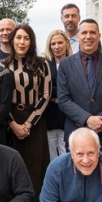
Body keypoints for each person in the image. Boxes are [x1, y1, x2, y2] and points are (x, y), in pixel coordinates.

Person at [56, 19, 102, 157]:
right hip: (76, 133)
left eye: (92, 32)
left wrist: (100, 120)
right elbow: (63, 99)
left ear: (99, 36)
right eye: (84, 33)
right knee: (77, 176)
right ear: (78, 36)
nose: (88, 36)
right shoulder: (65, 64)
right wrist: (87, 119)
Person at [3, 23, 53, 196]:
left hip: (35, 120)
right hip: (11, 119)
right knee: (12, 166)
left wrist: (28, 124)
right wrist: (13, 124)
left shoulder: (42, 64)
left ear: (31, 41)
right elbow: (1, 100)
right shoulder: (2, 66)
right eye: (18, 37)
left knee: (36, 166)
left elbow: (46, 94)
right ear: (12, 40)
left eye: (26, 38)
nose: (22, 42)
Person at [43, 29, 71, 160]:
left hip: (68, 119)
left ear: (66, 43)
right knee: (52, 158)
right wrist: (58, 97)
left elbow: (75, 88)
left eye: (60, 42)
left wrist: (55, 94)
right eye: (53, 44)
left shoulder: (74, 63)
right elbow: (44, 88)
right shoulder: (45, 65)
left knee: (67, 155)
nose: (56, 46)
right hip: (49, 117)